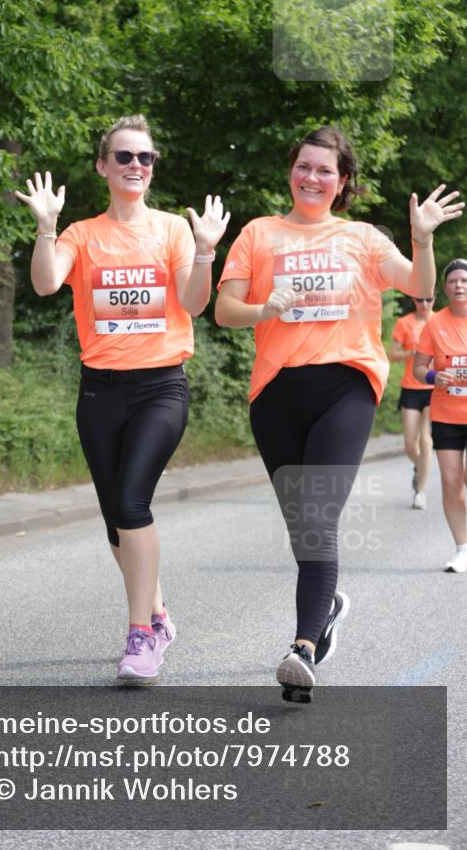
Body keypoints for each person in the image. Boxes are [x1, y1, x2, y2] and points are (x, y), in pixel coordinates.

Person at [215, 126, 463, 702]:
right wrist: (261, 308)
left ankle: (301, 648)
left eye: (326, 170)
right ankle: (327, 609)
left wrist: (421, 238)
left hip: (346, 387)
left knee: (319, 515)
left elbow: (418, 283)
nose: (312, 177)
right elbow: (225, 311)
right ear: (291, 171)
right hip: (274, 394)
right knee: (304, 526)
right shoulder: (259, 234)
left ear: (342, 181)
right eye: (304, 166)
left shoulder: (362, 239)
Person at [16, 114, 229, 683]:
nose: (137, 166)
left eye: (146, 158)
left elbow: (194, 302)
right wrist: (44, 227)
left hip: (160, 387)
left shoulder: (172, 230)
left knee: (133, 503)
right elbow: (43, 284)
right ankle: (158, 614)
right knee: (116, 521)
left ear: (153, 168)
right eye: (125, 157)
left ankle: (140, 637)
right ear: (103, 166)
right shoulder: (81, 234)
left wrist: (206, 251)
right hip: (99, 391)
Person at [414, 259, 467, 573]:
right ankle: (462, 548)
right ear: (444, 287)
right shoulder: (434, 323)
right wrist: (434, 377)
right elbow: (419, 368)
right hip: (447, 414)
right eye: (453, 281)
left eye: (464, 280)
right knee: (450, 482)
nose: (459, 286)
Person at [389, 295, 435, 508]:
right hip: (410, 387)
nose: (424, 304)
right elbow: (393, 354)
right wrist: (411, 353)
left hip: (434, 388)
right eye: (419, 300)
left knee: (426, 440)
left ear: (434, 299)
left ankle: (420, 493)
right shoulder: (404, 323)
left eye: (429, 299)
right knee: (410, 445)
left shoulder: (440, 322)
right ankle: (421, 467)